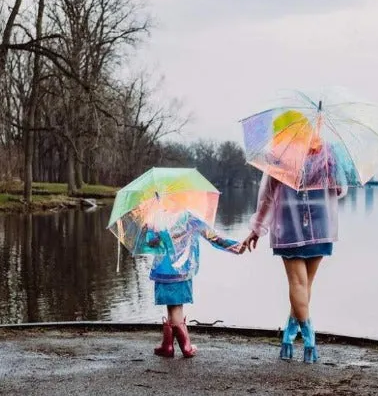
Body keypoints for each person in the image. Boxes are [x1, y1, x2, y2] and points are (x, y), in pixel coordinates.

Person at [242, 138, 348, 363]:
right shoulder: (328, 153)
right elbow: (340, 190)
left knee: (298, 284)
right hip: (320, 224)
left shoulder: (280, 153)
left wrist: (257, 228)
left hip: (289, 224)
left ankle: (307, 340)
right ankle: (291, 338)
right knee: (305, 285)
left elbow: (268, 197)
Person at [136, 211, 243, 358]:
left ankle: (167, 346)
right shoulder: (189, 217)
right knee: (176, 308)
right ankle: (186, 347)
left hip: (162, 270)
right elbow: (212, 236)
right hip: (182, 269)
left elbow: (150, 244)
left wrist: (148, 229)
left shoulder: (156, 217)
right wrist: (234, 246)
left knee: (171, 307)